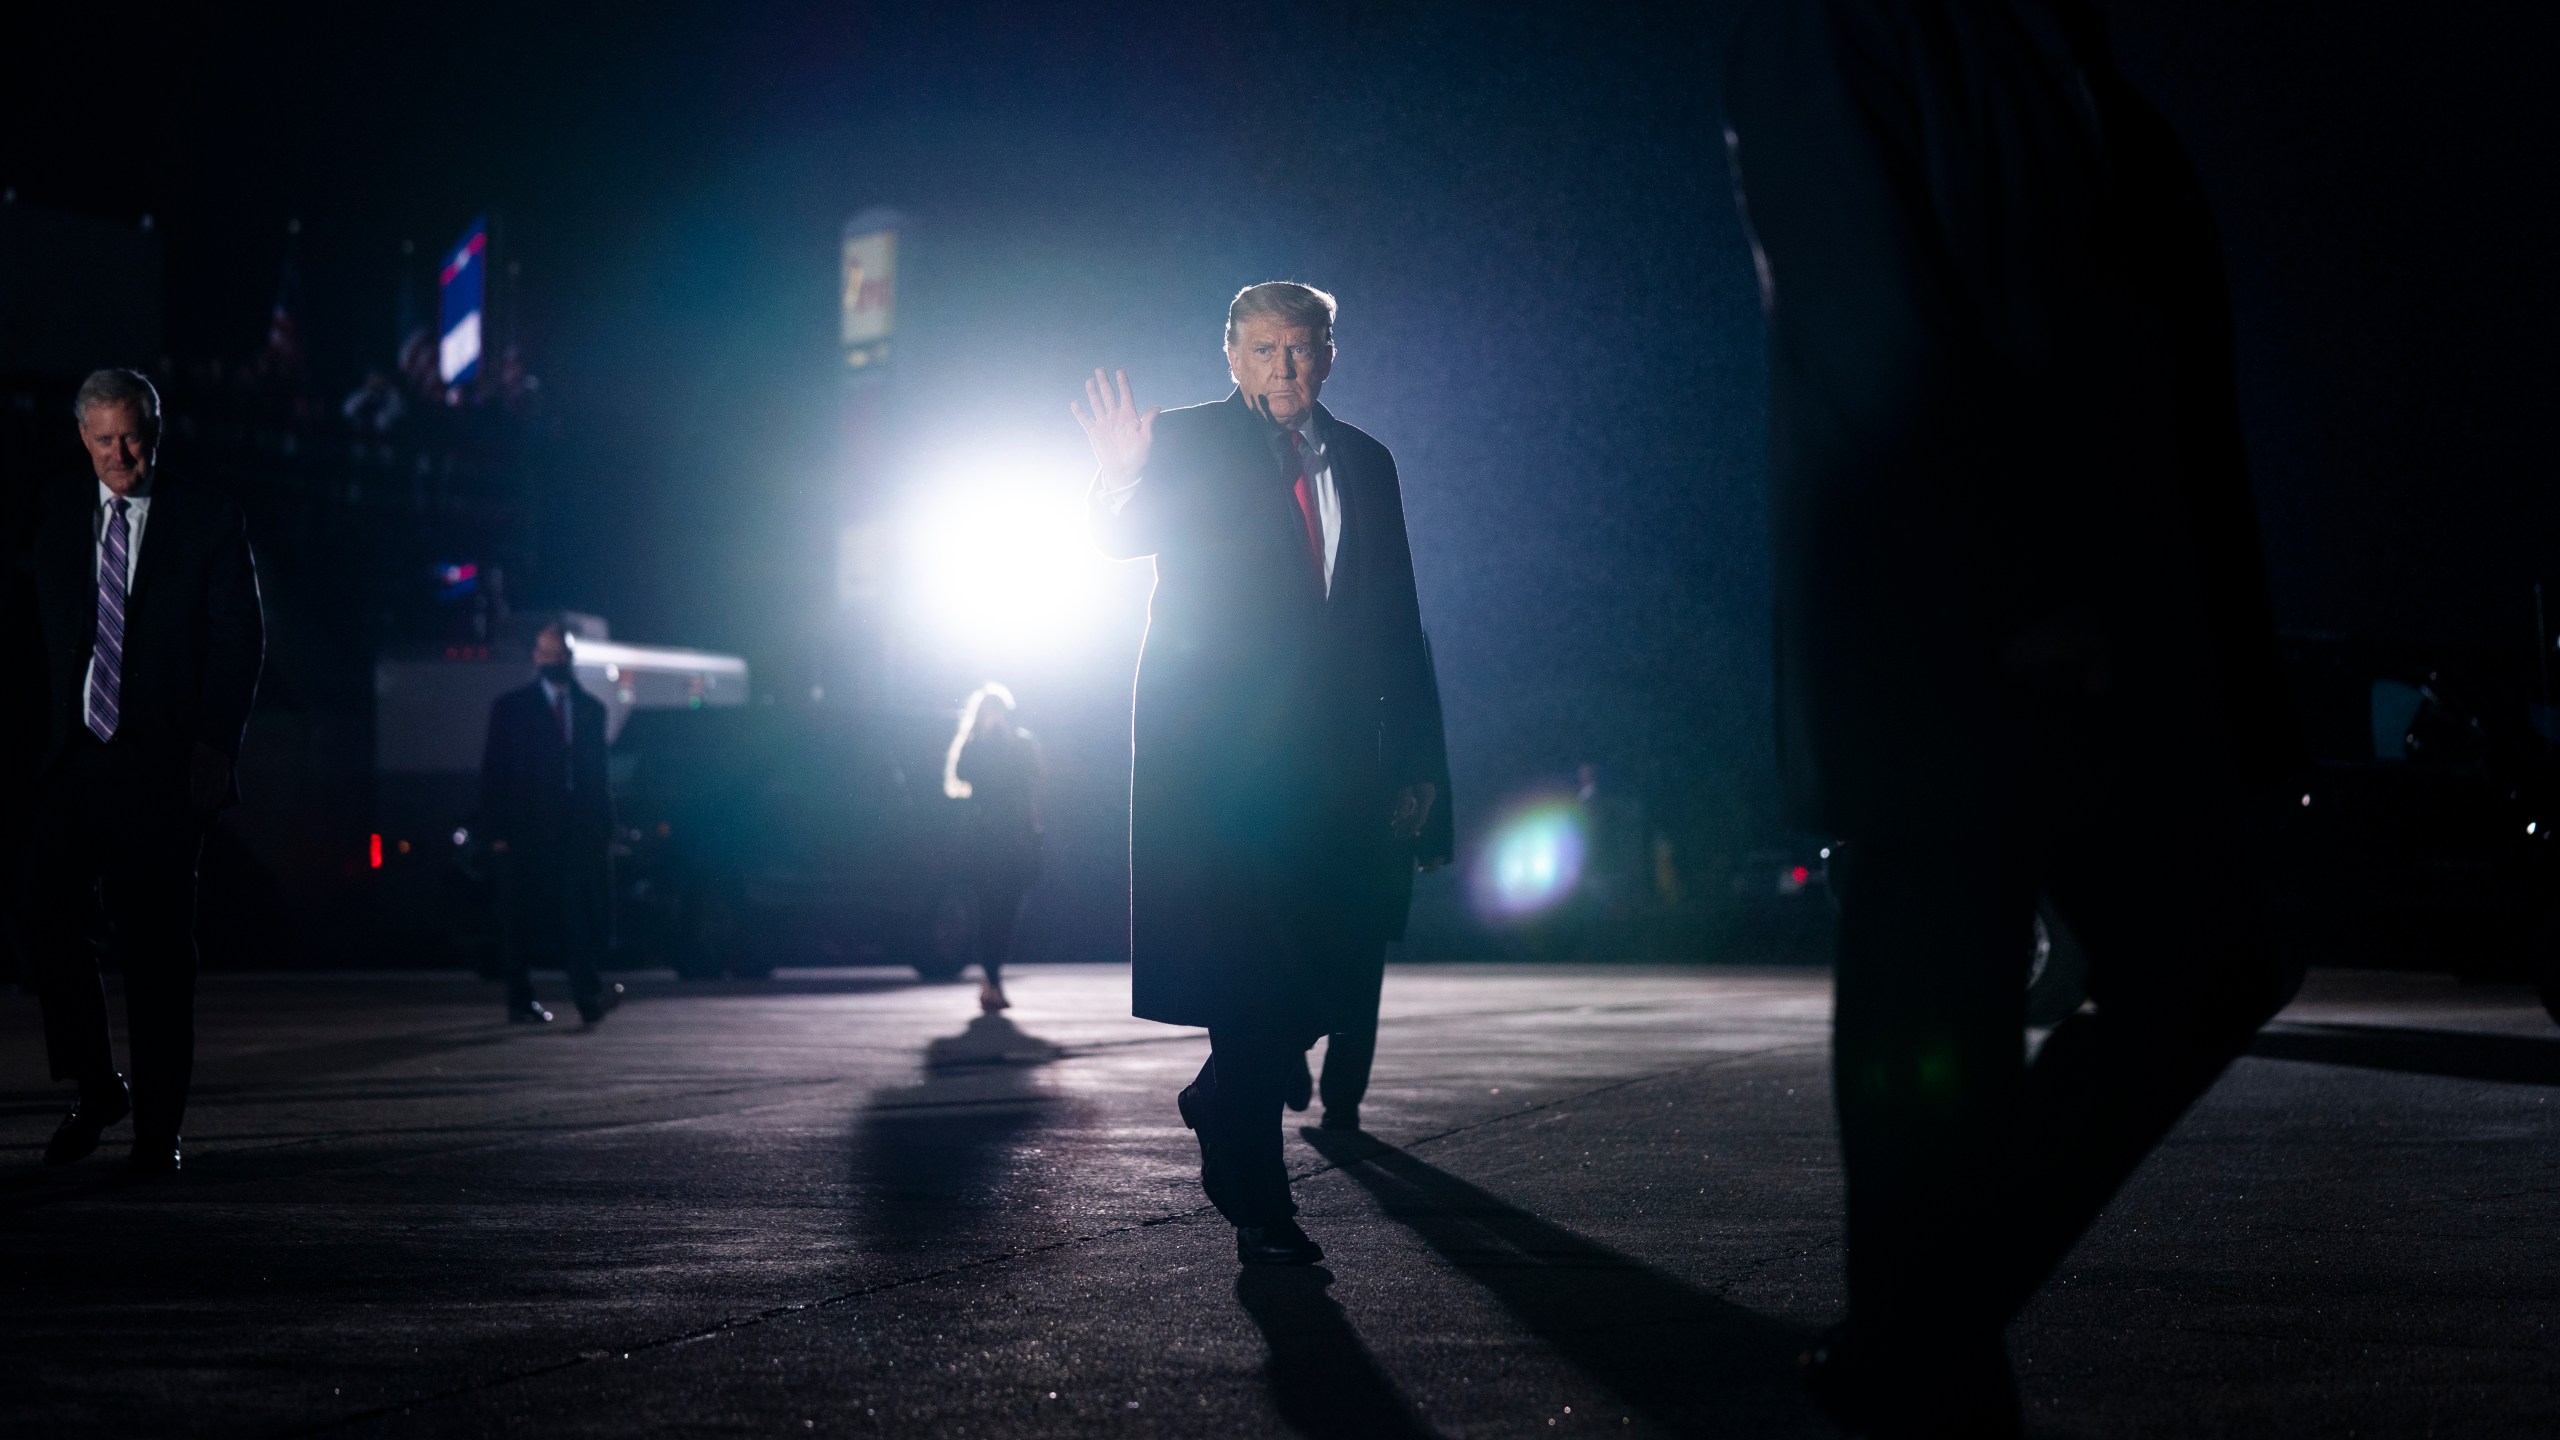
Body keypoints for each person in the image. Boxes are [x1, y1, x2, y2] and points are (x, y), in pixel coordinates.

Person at [1726, 2, 2299, 1433]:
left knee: (2212, 953)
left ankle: (1915, 1336)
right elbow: (1866, 308)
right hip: (1967, 617)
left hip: (2099, 604)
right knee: (1968, 989)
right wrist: (2005, 583)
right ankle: (1921, 1349)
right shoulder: (1846, 26)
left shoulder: (2050, 35)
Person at [1079, 281, 1446, 1266]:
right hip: (1222, 772)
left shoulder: (1366, 461)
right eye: (1266, 351)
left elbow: (1394, 620)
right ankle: (1262, 1210)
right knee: (1250, 983)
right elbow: (1121, 534)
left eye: (1304, 348)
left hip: (1336, 772)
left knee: (1325, 977)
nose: (1286, 369)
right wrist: (1117, 478)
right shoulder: (1193, 439)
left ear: (1330, 354)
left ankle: (1220, 1090)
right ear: (1232, 359)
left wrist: (1414, 759)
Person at [20, 368, 264, 1173]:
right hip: (71, 760)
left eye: (131, 437)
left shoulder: (208, 518)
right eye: (103, 441)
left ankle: (158, 1132)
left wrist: (214, 744)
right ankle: (96, 1084)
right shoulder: (53, 516)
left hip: (162, 767)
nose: (120, 454)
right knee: (40, 916)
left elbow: (239, 642)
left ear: (155, 432)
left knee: (158, 953)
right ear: (81, 438)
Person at [1285, 635, 1452, 1133]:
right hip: (1353, 819)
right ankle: (1332, 1091)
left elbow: (1423, 725)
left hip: (1352, 818)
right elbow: (1424, 725)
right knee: (1347, 965)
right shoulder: (1390, 618)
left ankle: (1315, 1075)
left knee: (1332, 959)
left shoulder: (1310, 603)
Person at [477, 620, 618, 1026]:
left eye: (561, 654)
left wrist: (605, 828)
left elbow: (598, 775)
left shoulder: (591, 709)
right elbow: (495, 771)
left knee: (578, 914)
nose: (554, 661)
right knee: (518, 918)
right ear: (537, 658)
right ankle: (520, 999)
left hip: (576, 828)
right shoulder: (512, 708)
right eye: (547, 654)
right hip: (525, 828)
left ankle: (587, 997)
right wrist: (497, 833)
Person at [942, 682, 1044, 1013]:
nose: (995, 717)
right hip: (984, 843)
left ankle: (991, 979)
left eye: (999, 711)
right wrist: (984, 739)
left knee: (1008, 913)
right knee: (984, 911)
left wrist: (1009, 740)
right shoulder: (974, 744)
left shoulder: (1023, 743)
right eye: (989, 712)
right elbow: (960, 775)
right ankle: (992, 980)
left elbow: (1035, 776)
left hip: (1016, 839)